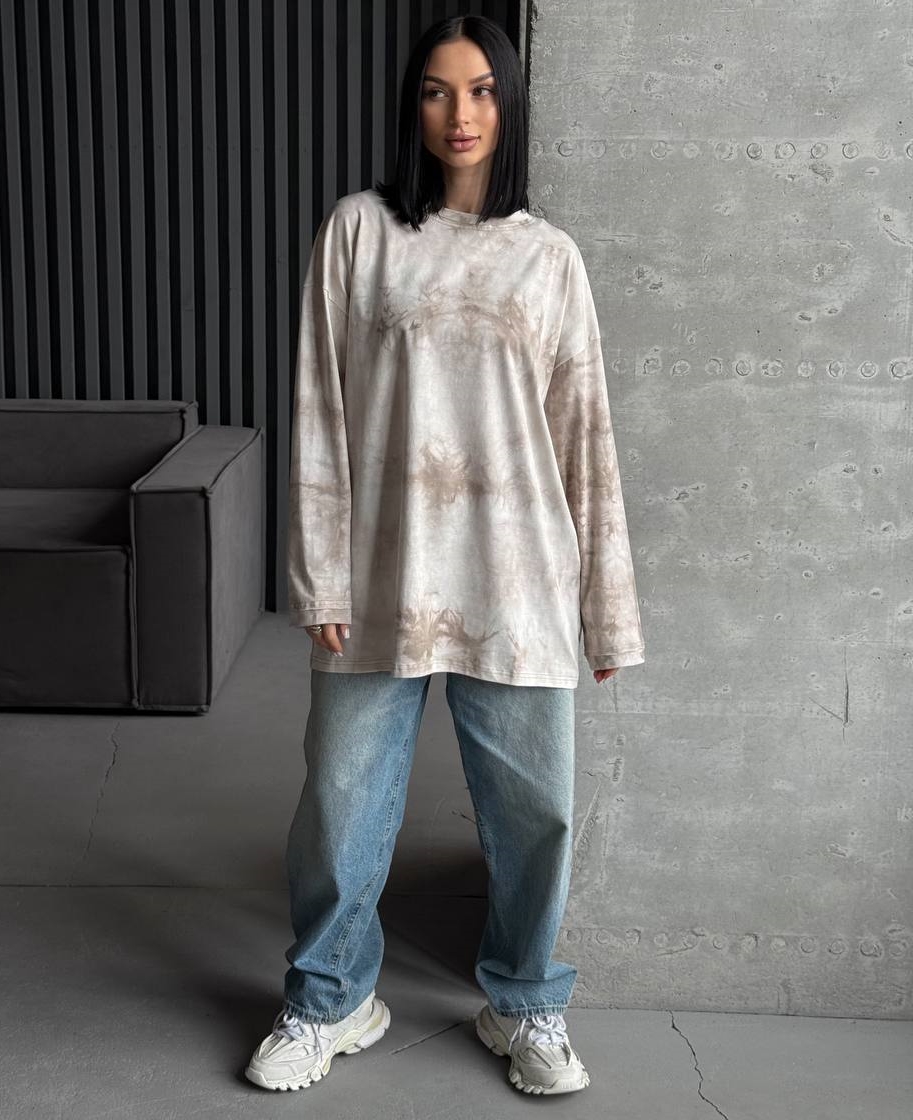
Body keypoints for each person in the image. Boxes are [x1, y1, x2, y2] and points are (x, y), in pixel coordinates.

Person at [244, 12, 645, 1098]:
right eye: (435, 90)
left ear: (507, 104)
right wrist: (318, 570)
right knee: (339, 805)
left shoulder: (547, 257)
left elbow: (584, 434)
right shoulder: (360, 232)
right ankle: (331, 999)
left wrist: (604, 610)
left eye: (479, 90)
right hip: (381, 572)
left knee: (536, 815)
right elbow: (320, 410)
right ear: (410, 105)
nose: (458, 113)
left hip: (519, 578)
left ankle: (524, 1000)